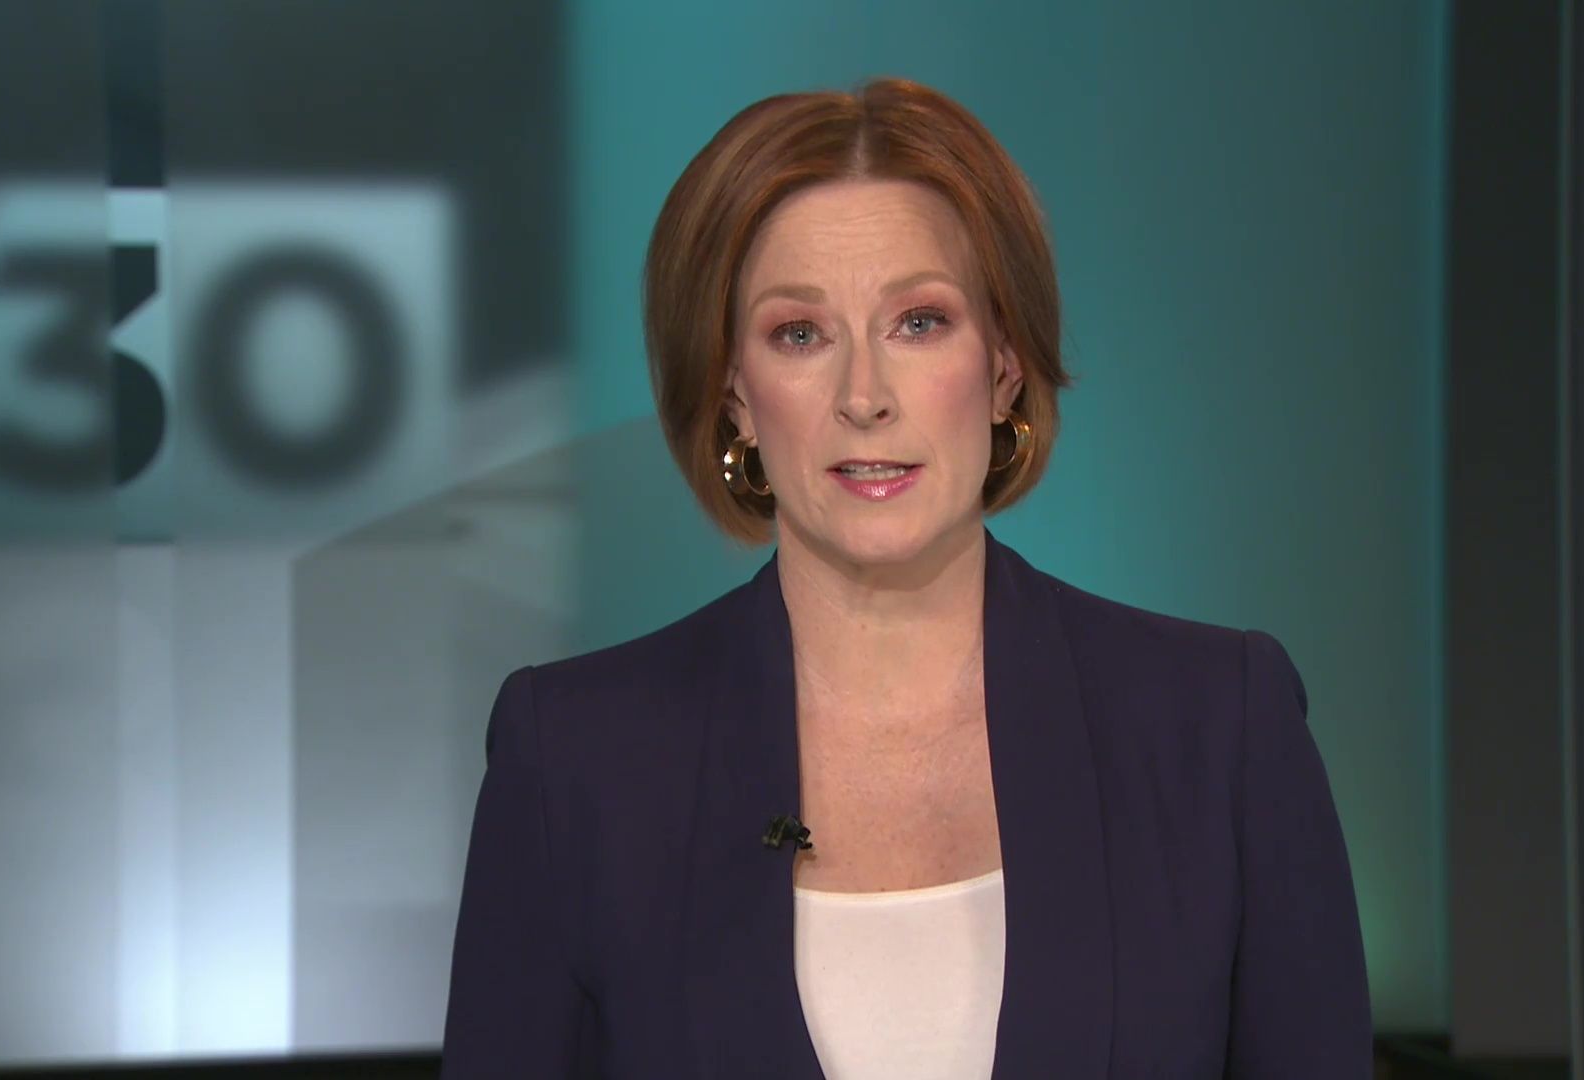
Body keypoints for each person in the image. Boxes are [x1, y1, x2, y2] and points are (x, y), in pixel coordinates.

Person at [441, 76, 1371, 1079]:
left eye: (919, 322)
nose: (865, 396)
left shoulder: (1219, 727)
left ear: (1006, 363)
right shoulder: (574, 760)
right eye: (800, 334)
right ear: (735, 394)